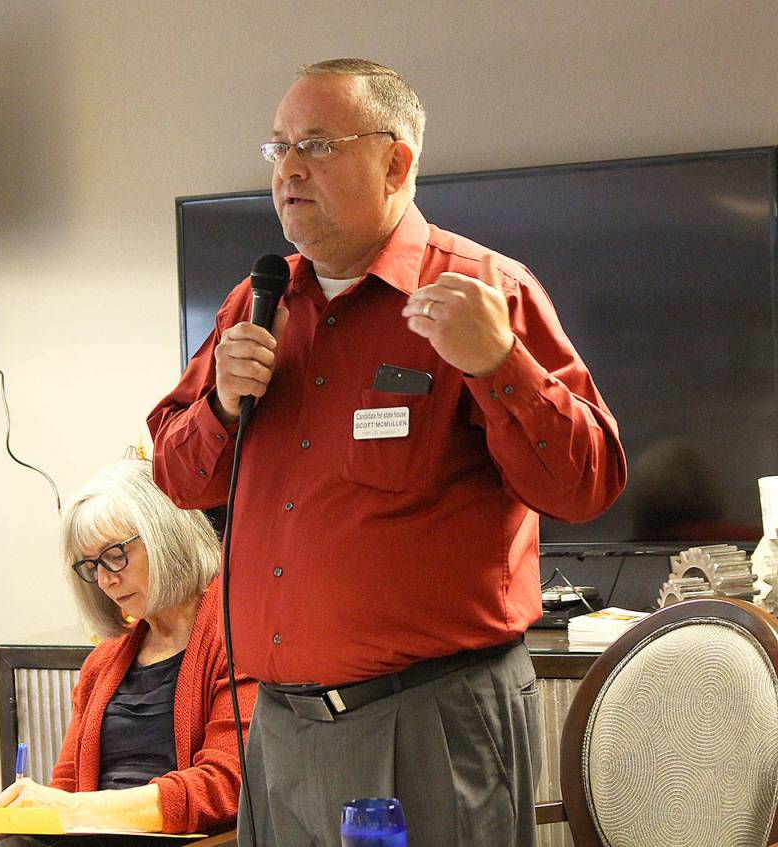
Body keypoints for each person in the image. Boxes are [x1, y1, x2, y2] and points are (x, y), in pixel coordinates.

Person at [147, 59, 627, 847]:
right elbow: (174, 473)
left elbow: (587, 484)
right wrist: (220, 405)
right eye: (278, 150)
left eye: (317, 144)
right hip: (278, 728)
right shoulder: (257, 303)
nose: (290, 169)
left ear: (397, 161)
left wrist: (499, 364)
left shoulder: (484, 290)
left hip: (429, 721)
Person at [0, 459, 256, 839]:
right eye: (91, 565)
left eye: (115, 555)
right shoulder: (102, 663)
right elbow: (65, 785)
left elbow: (226, 785)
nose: (105, 579)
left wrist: (75, 810)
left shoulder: (239, 639)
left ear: (167, 538)